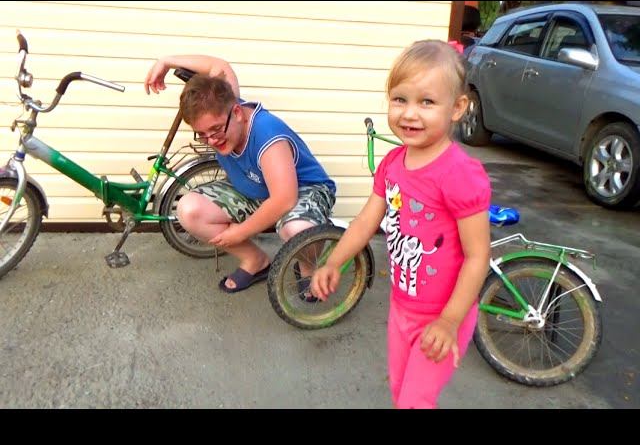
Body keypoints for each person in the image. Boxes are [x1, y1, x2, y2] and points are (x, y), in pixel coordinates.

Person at [310, 40, 491, 408]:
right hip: (402, 308)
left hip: (444, 315)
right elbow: (366, 220)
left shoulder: (460, 175)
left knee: (414, 401)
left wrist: (449, 321)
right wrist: (334, 261)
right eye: (400, 99)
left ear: (457, 108)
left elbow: (477, 256)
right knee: (400, 392)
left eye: (427, 102)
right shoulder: (393, 163)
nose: (410, 113)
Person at [144, 55, 336, 298]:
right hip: (255, 189)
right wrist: (166, 61)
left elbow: (284, 199)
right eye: (202, 134)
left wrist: (241, 231)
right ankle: (256, 261)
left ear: (236, 112)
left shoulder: (267, 135)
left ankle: (308, 267)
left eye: (215, 130)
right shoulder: (225, 103)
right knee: (189, 210)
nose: (212, 140)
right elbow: (219, 66)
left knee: (297, 230)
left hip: (302, 189)